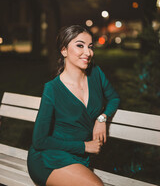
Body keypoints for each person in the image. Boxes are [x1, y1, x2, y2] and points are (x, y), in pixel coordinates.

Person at [27, 24, 120, 186]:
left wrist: (101, 118)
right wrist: (84, 146)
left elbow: (114, 98)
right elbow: (39, 140)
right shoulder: (53, 89)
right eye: (80, 46)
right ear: (64, 50)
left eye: (90, 47)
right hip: (49, 158)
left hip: (78, 157)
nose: (88, 52)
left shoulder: (95, 73)